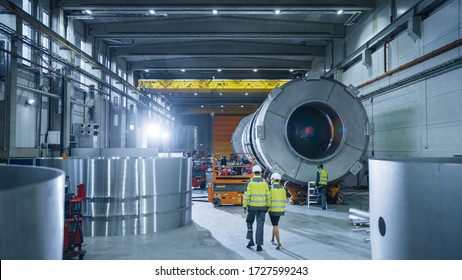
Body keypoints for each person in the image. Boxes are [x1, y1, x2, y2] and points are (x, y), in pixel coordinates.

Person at [243, 165, 270, 252]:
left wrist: (244, 206)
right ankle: (259, 245)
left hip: (252, 208)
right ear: (261, 173)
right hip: (262, 208)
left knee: (249, 222)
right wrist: (268, 206)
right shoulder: (265, 183)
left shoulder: (249, 182)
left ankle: (251, 240)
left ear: (253, 172)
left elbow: (246, 196)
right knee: (260, 225)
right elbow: (268, 196)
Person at [268, 172, 286, 250]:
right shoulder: (282, 189)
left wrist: (266, 208)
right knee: (275, 223)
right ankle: (272, 238)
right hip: (280, 210)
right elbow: (284, 199)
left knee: (275, 225)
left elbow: (268, 199)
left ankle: (279, 243)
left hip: (273, 210)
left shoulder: (270, 188)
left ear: (273, 179)